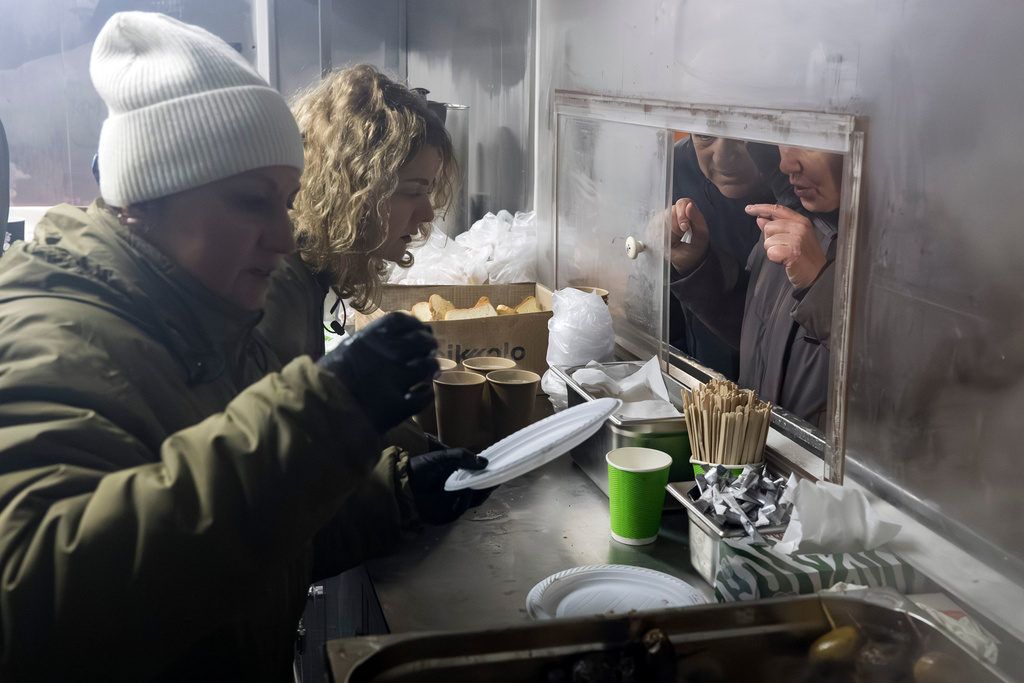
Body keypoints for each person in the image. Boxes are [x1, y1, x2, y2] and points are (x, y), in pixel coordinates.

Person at [0, 13, 483, 682]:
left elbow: (239, 540)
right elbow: (35, 606)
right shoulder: (51, 333)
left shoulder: (205, 320)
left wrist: (392, 497)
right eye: (251, 202)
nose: (286, 238)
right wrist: (320, 417)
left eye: (285, 203)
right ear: (147, 196)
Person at [258, 64, 458, 366]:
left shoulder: (303, 270)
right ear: (354, 188)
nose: (428, 213)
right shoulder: (277, 284)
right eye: (412, 191)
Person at [669, 143, 843, 428]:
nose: (786, 164)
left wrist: (819, 287)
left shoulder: (913, 251)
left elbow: (903, 388)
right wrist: (697, 265)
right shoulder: (791, 216)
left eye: (809, 142)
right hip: (771, 459)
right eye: (783, 139)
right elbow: (758, 332)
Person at [668, 134, 775, 379]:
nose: (724, 156)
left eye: (744, 135)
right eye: (705, 136)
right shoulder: (677, 166)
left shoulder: (800, 178)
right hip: (703, 370)